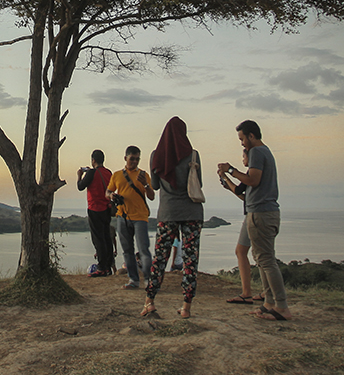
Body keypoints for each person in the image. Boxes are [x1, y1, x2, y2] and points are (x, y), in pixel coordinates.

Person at [218, 120, 292, 321]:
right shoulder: (264, 152)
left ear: (251, 136)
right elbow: (248, 189)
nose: (241, 143)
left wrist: (230, 169)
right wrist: (229, 181)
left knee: (266, 260)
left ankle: (282, 307)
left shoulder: (257, 152)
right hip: (261, 212)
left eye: (242, 139)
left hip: (261, 214)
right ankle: (268, 303)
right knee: (262, 259)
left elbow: (253, 180)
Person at [141, 117, 204, 319]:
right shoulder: (193, 155)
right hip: (192, 213)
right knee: (190, 260)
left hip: (167, 213)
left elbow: (156, 185)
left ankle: (149, 302)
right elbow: (198, 183)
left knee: (160, 257)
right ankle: (186, 307)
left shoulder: (156, 156)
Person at [106, 145, 155, 289]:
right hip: (122, 216)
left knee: (143, 249)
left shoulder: (144, 175)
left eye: (137, 159)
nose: (134, 162)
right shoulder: (117, 175)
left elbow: (151, 196)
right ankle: (134, 280)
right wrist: (112, 196)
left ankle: (148, 280)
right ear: (125, 158)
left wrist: (146, 184)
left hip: (140, 216)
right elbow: (107, 192)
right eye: (132, 159)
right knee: (127, 250)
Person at [219, 148, 263, 304]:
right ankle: (265, 291)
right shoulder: (253, 175)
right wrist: (228, 185)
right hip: (255, 212)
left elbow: (238, 188)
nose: (243, 159)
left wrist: (227, 174)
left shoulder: (250, 175)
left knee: (242, 251)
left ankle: (246, 293)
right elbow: (244, 196)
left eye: (243, 157)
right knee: (260, 253)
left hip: (253, 215)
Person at [77, 150, 115, 276]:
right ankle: (108, 266)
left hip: (95, 208)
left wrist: (79, 175)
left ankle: (102, 267)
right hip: (107, 208)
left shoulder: (92, 173)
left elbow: (81, 186)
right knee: (106, 237)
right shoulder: (108, 172)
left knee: (98, 239)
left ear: (93, 160)